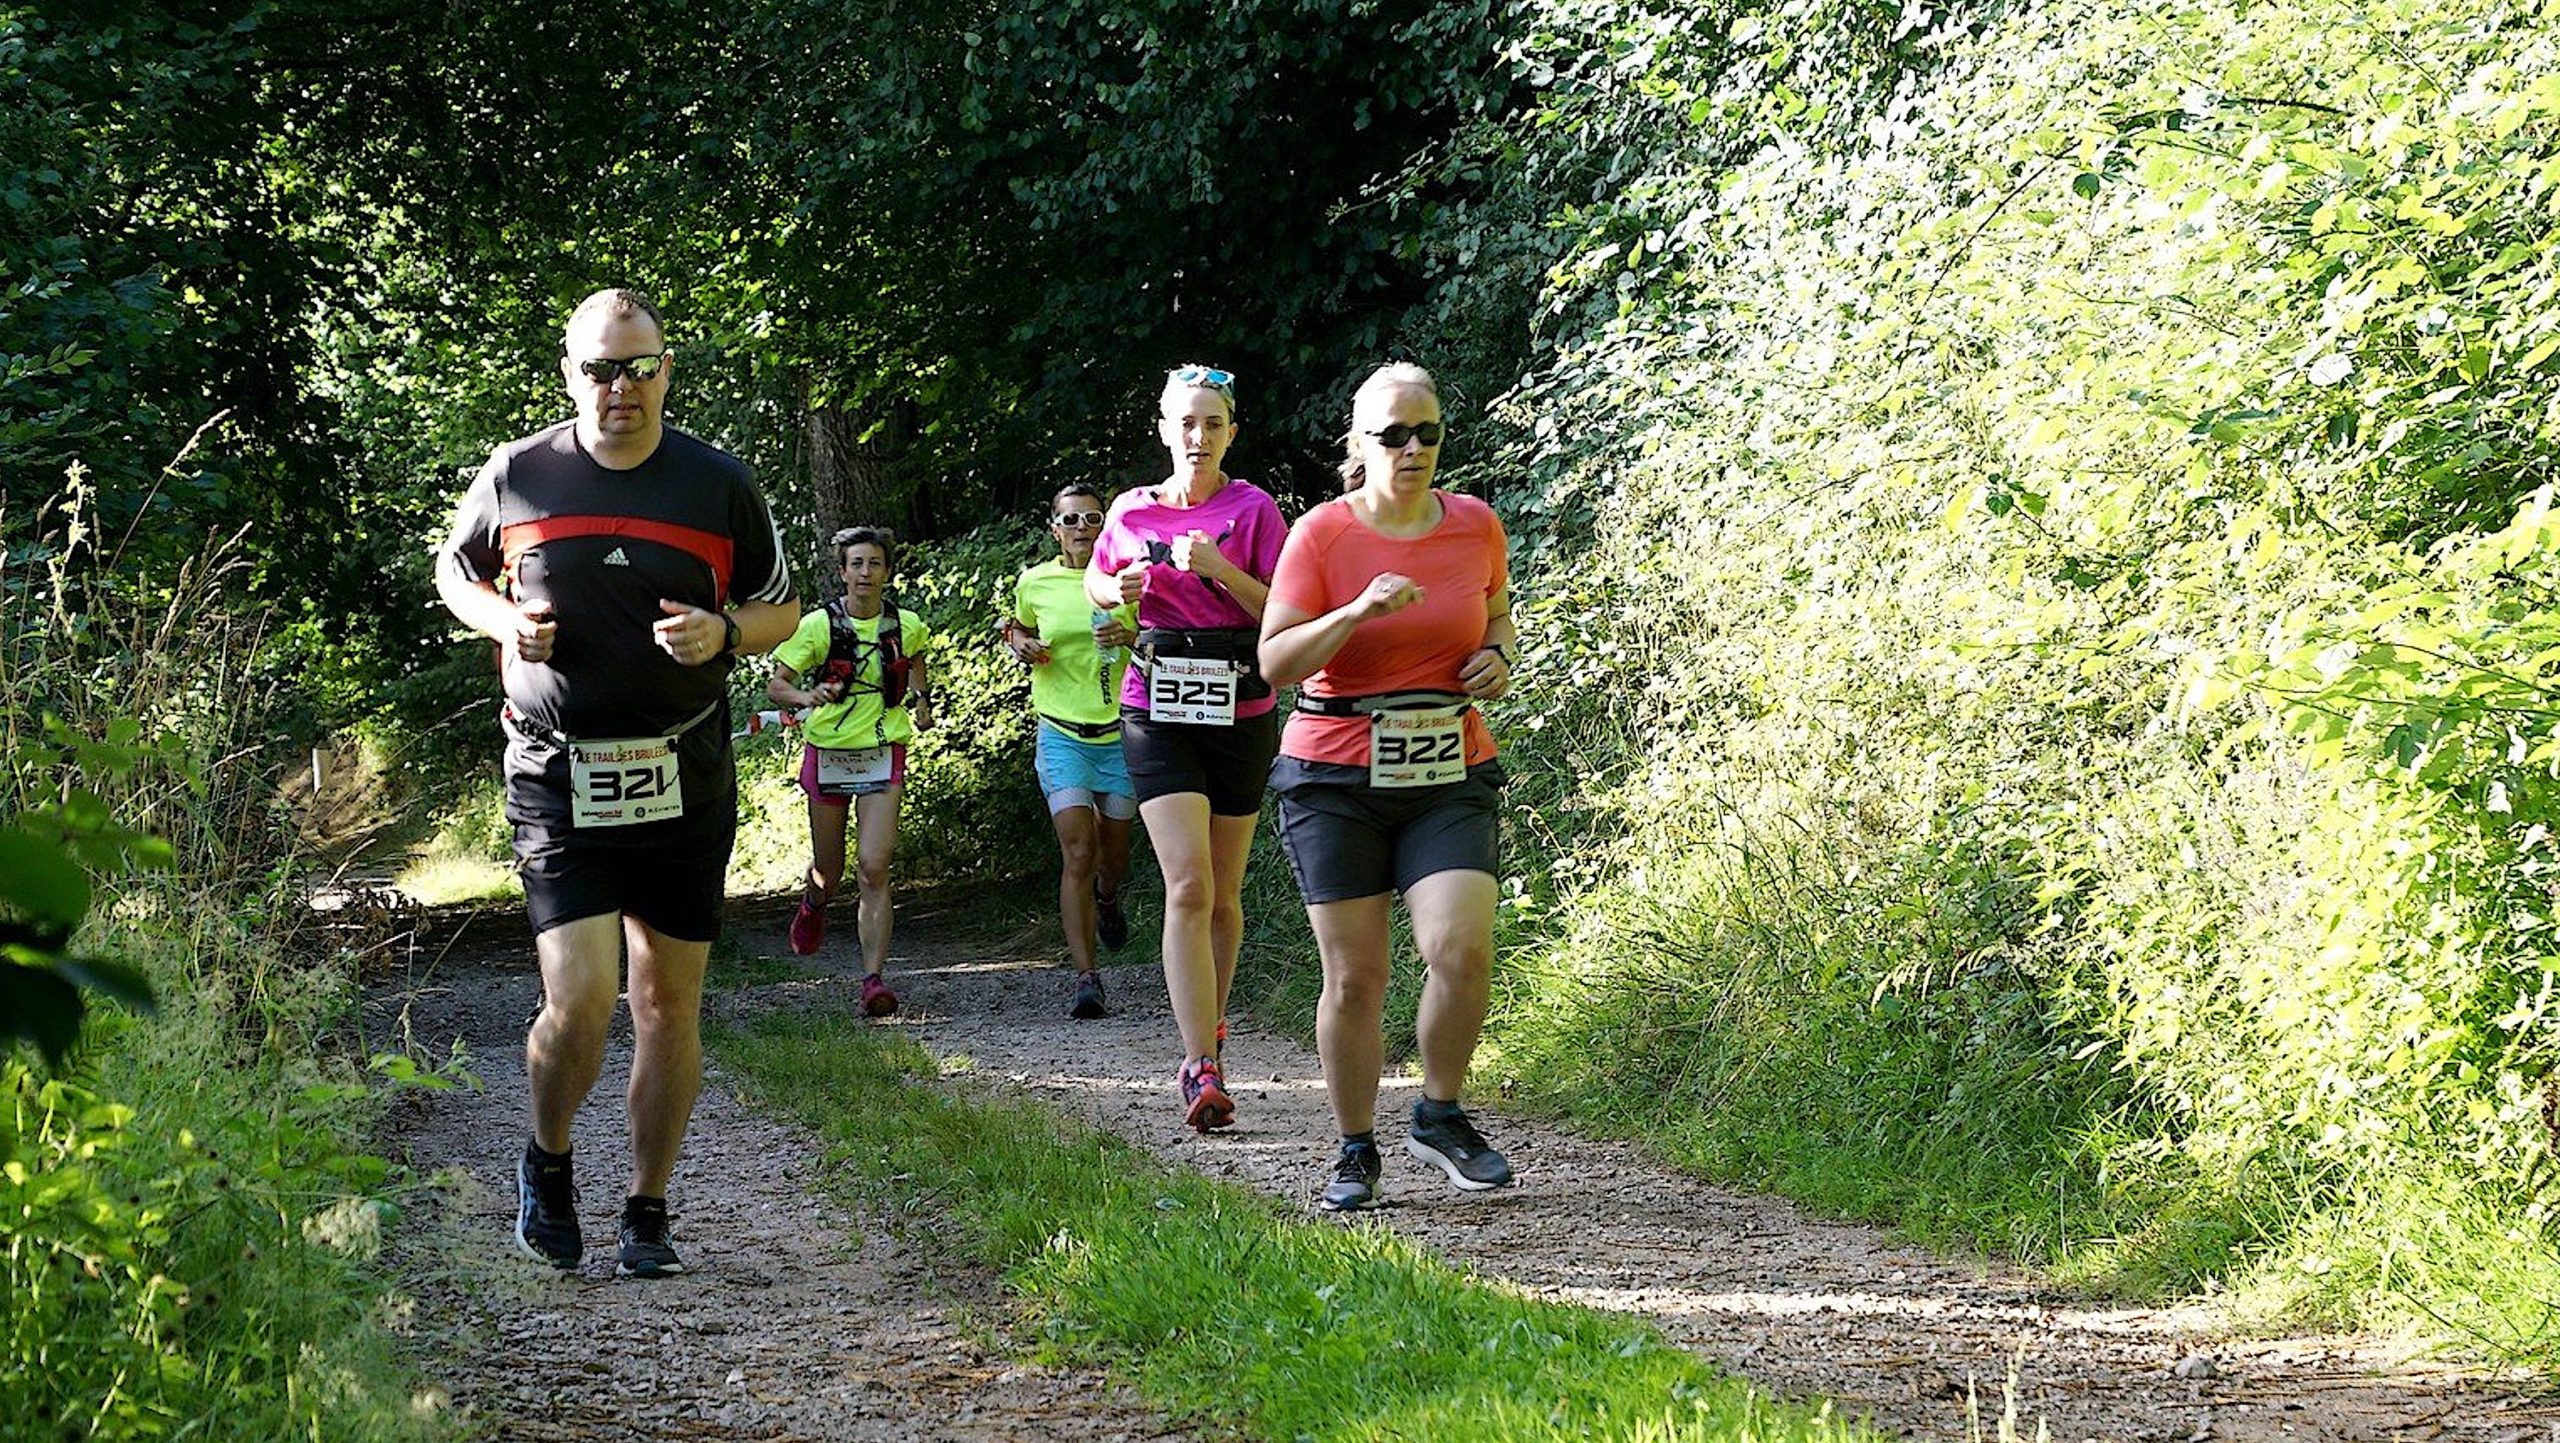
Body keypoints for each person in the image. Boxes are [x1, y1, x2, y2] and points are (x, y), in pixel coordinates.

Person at [435, 287, 797, 1275]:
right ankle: (547, 1164)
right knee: (584, 997)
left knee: (670, 1003)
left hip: (684, 765)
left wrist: (725, 633)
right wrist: (504, 622)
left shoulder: (716, 484)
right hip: (556, 772)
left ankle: (647, 1207)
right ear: (569, 373)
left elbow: (782, 609)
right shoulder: (518, 475)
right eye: (600, 367)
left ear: (666, 371)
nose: (620, 387)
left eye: (639, 366)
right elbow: (453, 572)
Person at [1257, 361, 1519, 1211]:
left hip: (1449, 764)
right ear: (1359, 444)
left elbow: (1498, 613)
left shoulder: (1475, 524)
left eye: (1428, 433)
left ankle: (1439, 1115)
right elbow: (1276, 660)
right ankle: (1354, 1146)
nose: (1413, 450)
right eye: (1393, 436)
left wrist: (1500, 658)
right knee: (1357, 976)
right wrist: (1356, 613)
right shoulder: (1323, 535)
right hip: (1336, 770)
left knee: (1462, 948)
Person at [1086, 365, 1287, 1130]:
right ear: (1164, 429)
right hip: (1157, 702)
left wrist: (1219, 568)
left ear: (1230, 431)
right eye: (1185, 423)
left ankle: (1213, 1027)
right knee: (1189, 886)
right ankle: (1197, 1061)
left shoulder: (1255, 508)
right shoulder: (1133, 510)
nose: (1197, 437)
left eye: (1212, 423)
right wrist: (1118, 590)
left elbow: (1285, 607)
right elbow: (1095, 585)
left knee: (1225, 895)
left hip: (1241, 702)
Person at [771, 526, 935, 1016]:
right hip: (829, 750)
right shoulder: (819, 627)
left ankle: (873, 979)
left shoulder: (907, 623)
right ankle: (814, 902)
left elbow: (917, 661)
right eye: (856, 564)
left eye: (875, 564)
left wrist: (922, 701)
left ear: (887, 571)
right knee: (831, 868)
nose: (866, 573)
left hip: (884, 749)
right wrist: (806, 697)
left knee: (874, 867)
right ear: (842, 572)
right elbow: (777, 685)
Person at [1001, 484, 1140, 1019]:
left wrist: (1128, 640)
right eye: (1071, 518)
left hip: (1121, 733)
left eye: (1092, 517)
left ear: (1104, 526)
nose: (1082, 526)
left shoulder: (1125, 579)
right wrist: (1020, 643)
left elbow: (1159, 635)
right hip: (1061, 733)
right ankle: (1087, 978)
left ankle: (1108, 897)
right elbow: (1019, 629)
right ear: (1054, 527)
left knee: (1114, 857)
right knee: (1079, 851)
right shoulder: (1034, 581)